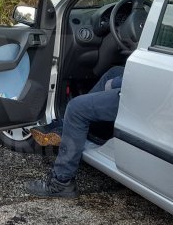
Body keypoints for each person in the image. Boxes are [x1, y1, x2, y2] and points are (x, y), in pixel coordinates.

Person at [25, 66, 125, 198]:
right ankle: (66, 125)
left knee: (75, 108)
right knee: (115, 71)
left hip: (143, 93)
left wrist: (114, 83)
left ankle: (61, 182)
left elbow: (137, 81)